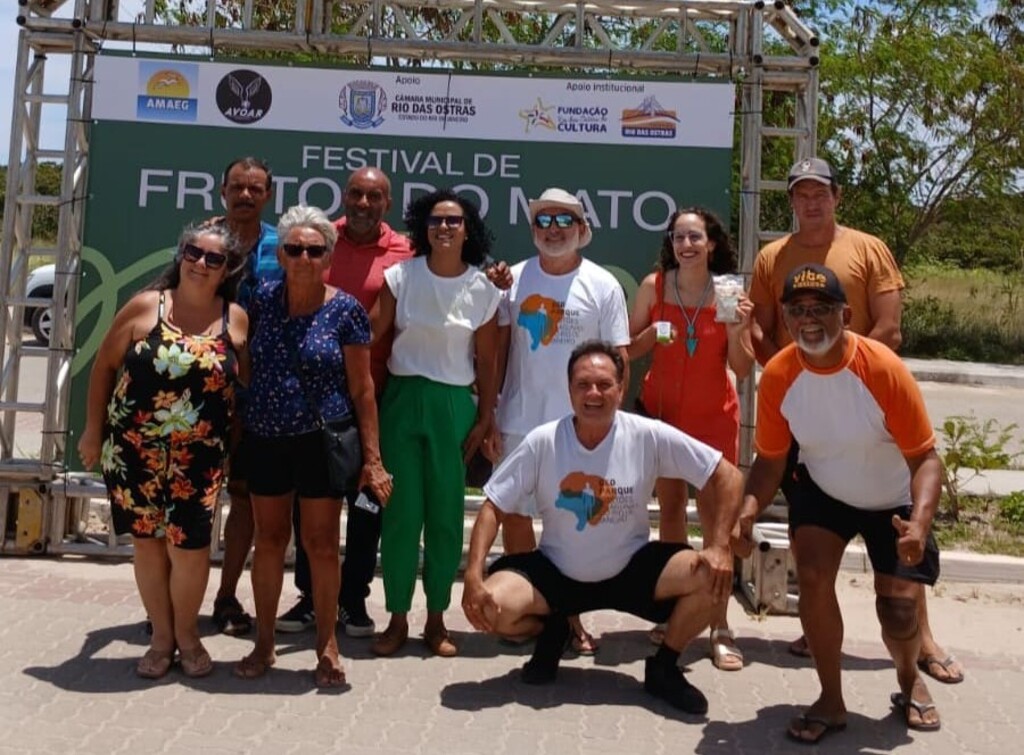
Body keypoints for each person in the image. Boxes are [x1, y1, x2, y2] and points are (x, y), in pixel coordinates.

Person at [749, 157, 963, 684]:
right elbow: (760, 328)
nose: (811, 201)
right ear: (792, 201)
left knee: (899, 548)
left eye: (820, 192)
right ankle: (818, 626)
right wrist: (792, 372)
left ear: (836, 197)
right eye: (801, 193)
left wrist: (838, 369)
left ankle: (923, 643)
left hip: (867, 398)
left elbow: (889, 329)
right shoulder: (773, 256)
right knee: (813, 536)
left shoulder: (868, 248)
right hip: (804, 410)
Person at [462, 341, 744, 714]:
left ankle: (663, 667)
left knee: (714, 577)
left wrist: (721, 545)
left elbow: (728, 476)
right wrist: (473, 574)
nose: (593, 393)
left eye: (604, 384)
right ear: (569, 390)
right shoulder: (543, 441)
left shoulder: (648, 434)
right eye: (583, 385)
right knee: (490, 607)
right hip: (558, 573)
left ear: (621, 388)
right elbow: (493, 506)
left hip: (632, 569)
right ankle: (554, 632)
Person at [734, 263, 944, 743]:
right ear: (785, 319)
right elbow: (769, 461)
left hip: (893, 497)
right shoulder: (781, 374)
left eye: (822, 309)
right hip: (824, 489)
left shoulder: (882, 369)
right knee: (811, 576)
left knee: (898, 611)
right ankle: (831, 699)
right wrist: (747, 510)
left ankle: (910, 683)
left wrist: (920, 524)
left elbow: (926, 459)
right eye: (797, 310)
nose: (809, 319)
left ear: (846, 315)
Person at [78, 223, 249, 679]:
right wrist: (93, 432)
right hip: (133, 451)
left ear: (227, 268)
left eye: (214, 259)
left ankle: (188, 635)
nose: (200, 263)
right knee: (149, 544)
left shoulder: (235, 318)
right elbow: (103, 368)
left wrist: (236, 447)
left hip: (200, 459)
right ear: (181, 254)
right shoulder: (145, 307)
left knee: (190, 549)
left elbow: (241, 386)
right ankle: (161, 639)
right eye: (194, 252)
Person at [233, 205, 391, 688]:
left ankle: (327, 643)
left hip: (321, 442)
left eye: (314, 249)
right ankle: (264, 643)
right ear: (280, 254)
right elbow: (242, 366)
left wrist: (373, 459)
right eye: (294, 248)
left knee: (321, 545)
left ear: (329, 255)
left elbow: (362, 390)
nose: (303, 257)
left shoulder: (345, 310)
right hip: (264, 437)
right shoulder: (258, 300)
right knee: (269, 541)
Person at [488, 187, 631, 655]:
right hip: (519, 420)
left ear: (582, 230)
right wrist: (491, 412)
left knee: (570, 527)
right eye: (544, 221)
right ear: (533, 230)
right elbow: (498, 350)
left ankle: (570, 617)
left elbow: (619, 359)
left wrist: (611, 422)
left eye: (563, 220)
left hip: (578, 426)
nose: (553, 230)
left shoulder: (603, 285)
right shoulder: (511, 279)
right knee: (515, 517)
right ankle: (537, 613)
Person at [275, 167, 413, 638]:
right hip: (315, 400)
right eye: (355, 194)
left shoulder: (406, 251)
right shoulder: (317, 240)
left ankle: (354, 600)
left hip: (375, 394)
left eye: (374, 196)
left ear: (387, 204)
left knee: (368, 500)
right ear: (344, 196)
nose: (363, 203)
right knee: (310, 503)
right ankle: (310, 599)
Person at [369, 188, 501, 658]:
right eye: (435, 221)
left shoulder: (485, 288)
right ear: (423, 228)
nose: (444, 228)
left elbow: (487, 361)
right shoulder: (400, 277)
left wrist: (486, 416)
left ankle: (438, 619)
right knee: (401, 514)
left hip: (453, 406)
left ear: (469, 230)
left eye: (454, 221)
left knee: (446, 515)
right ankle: (398, 618)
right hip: (403, 400)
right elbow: (370, 335)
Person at [628, 206, 755, 670]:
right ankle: (674, 611)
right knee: (673, 516)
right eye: (679, 237)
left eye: (695, 238)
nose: (686, 245)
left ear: (712, 244)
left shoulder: (727, 291)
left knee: (716, 528)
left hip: (713, 421)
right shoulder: (655, 286)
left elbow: (741, 369)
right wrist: (651, 335)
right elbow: (628, 347)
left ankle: (720, 625)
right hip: (663, 419)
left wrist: (740, 330)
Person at [210, 156, 281, 637]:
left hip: (259, 392)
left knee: (245, 502)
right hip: (204, 388)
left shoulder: (284, 245)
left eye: (256, 189)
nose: (246, 196)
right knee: (190, 501)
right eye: (238, 186)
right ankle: (171, 601)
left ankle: (225, 597)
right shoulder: (201, 244)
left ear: (268, 195)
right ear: (223, 191)